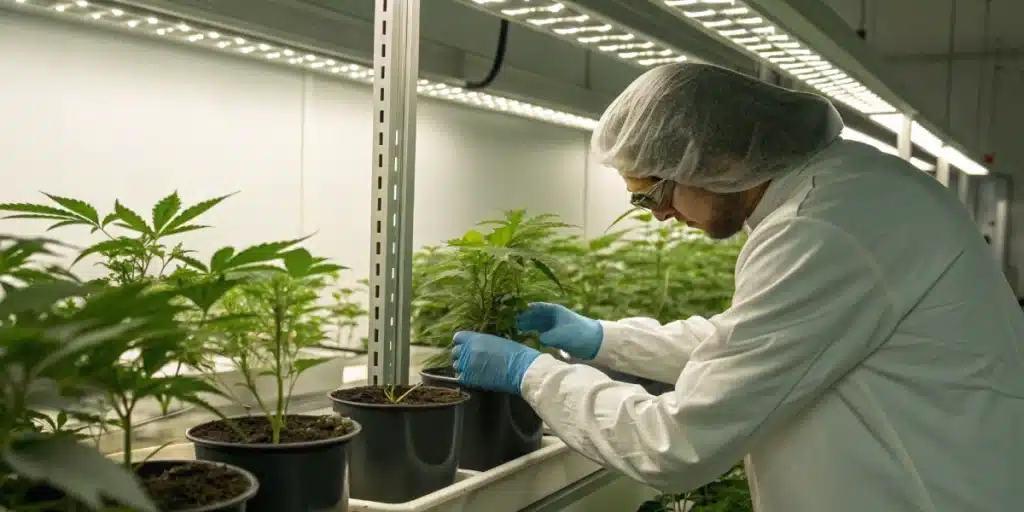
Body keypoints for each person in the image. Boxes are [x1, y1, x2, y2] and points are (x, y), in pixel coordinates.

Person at [450, 62, 1024, 511]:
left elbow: (675, 444)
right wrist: (603, 338)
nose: (659, 215)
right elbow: (749, 344)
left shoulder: (824, 229)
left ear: (716, 159)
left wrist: (534, 375)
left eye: (655, 194)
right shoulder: (842, 192)